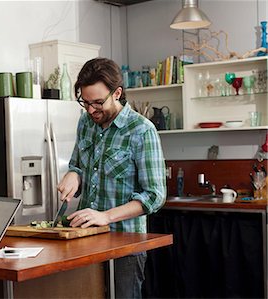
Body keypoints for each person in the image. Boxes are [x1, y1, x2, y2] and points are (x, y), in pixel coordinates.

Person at [57, 58, 166, 298]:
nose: (91, 110)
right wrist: (74, 174)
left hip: (125, 245)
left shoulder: (141, 130)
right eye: (85, 102)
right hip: (85, 240)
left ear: (117, 93)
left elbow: (154, 196)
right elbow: (79, 165)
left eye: (98, 102)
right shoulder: (86, 122)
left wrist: (105, 217)